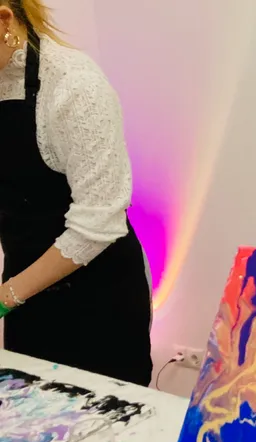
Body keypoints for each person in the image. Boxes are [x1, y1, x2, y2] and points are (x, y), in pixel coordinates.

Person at [0, 0, 152, 386]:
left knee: (105, 437)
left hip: (97, 302)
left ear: (4, 19)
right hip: (24, 292)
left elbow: (98, 222)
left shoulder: (73, 85)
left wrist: (7, 296)